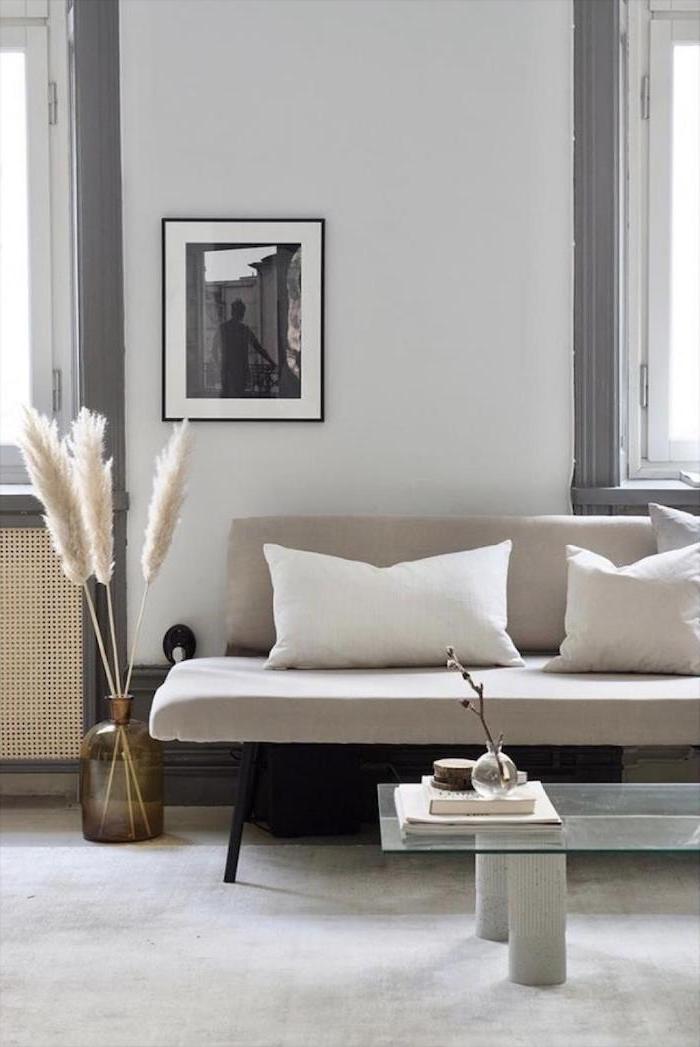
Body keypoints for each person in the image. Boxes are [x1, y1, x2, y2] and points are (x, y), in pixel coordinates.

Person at [214, 299, 275, 397]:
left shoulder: (223, 328)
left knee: (226, 398)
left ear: (232, 312)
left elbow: (213, 350)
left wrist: (219, 365)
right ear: (242, 313)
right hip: (241, 371)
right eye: (242, 312)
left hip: (227, 371)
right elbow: (258, 347)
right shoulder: (244, 330)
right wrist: (271, 362)